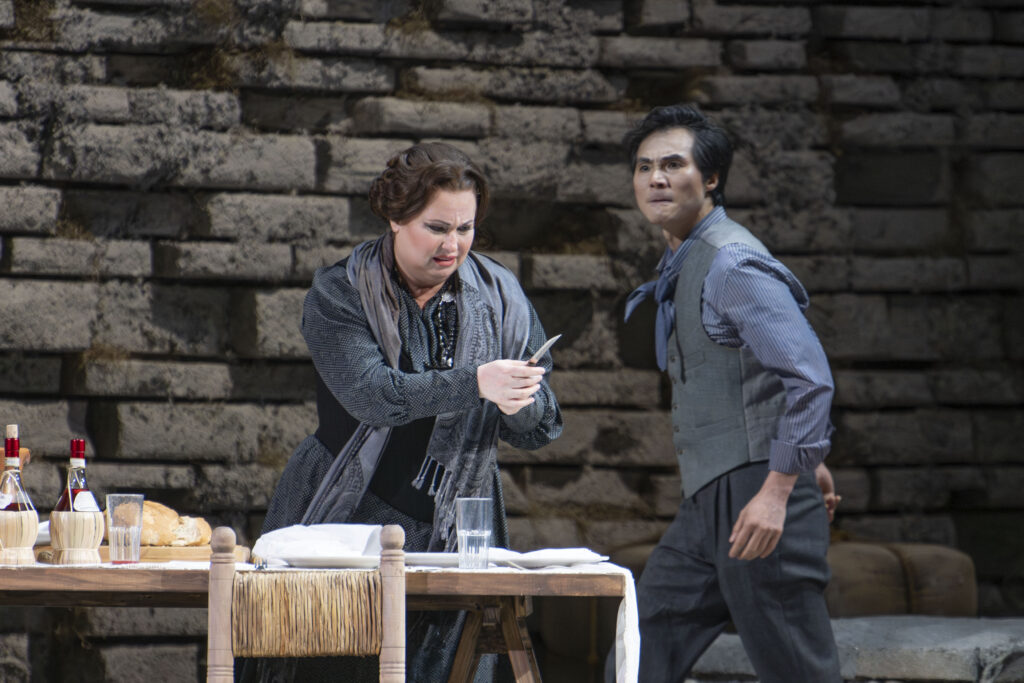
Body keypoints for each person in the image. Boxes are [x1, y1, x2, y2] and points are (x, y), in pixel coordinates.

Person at [246, 141, 562, 683]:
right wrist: (477, 383)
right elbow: (374, 395)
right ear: (395, 217)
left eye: (466, 228)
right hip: (350, 516)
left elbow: (543, 429)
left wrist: (520, 400)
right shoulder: (341, 291)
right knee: (331, 666)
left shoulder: (502, 298)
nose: (453, 245)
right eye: (436, 227)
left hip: (457, 522)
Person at [609, 104, 842, 682]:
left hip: (756, 493)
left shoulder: (731, 263)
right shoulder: (684, 260)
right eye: (644, 167)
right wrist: (807, 458)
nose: (655, 179)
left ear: (710, 178)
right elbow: (757, 376)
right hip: (711, 495)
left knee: (796, 669)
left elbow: (809, 377)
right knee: (642, 645)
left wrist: (781, 487)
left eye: (673, 165)